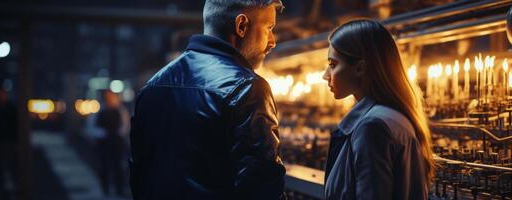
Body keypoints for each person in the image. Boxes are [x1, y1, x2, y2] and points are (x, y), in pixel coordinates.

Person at [129, 0, 286, 199]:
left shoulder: (152, 86)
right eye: (269, 28)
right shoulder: (247, 87)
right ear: (241, 26)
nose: (272, 41)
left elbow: (138, 173)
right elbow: (263, 186)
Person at [322, 19, 436, 200]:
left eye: (333, 65)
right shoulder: (393, 117)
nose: (325, 75)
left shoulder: (372, 126)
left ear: (360, 68)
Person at [95, 90, 129, 196]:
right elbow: (92, 126)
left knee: (118, 166)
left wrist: (119, 134)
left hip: (116, 142)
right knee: (104, 166)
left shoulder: (121, 110)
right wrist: (103, 134)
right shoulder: (100, 110)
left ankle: (119, 190)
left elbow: (125, 125)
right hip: (104, 143)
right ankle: (105, 189)